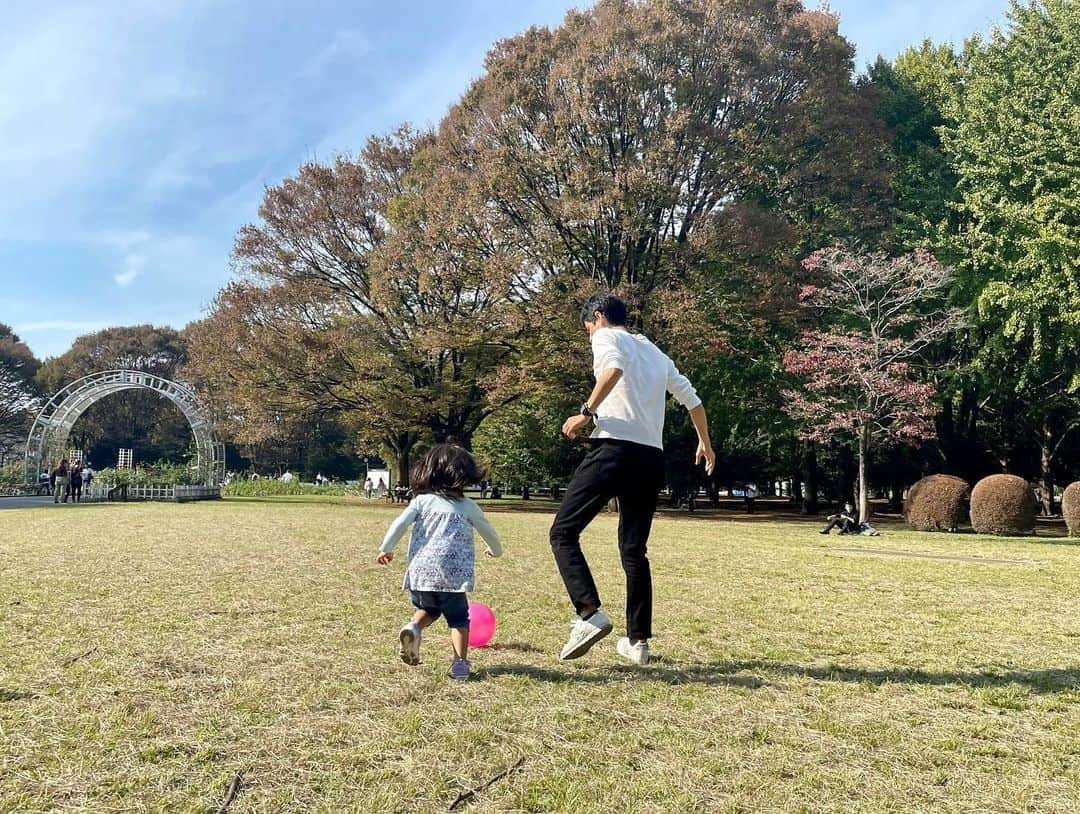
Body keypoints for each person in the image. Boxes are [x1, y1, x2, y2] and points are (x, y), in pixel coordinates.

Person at [550, 293, 715, 667]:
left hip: (614, 450)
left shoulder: (607, 337)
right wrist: (705, 443)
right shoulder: (656, 353)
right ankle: (637, 642)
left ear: (598, 318)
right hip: (650, 458)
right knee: (634, 550)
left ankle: (589, 614)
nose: (588, 336)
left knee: (562, 533)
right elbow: (693, 401)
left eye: (587, 328)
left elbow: (613, 371)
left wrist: (585, 413)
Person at [376, 444, 503, 680]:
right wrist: (495, 550)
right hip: (452, 577)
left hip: (421, 573)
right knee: (458, 618)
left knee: (428, 609)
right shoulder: (468, 506)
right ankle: (460, 664)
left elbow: (399, 524)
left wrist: (387, 549)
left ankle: (414, 627)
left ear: (429, 471)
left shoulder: (421, 501)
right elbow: (489, 532)